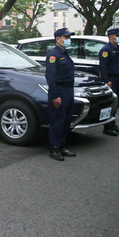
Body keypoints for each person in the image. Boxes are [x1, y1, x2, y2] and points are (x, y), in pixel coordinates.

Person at [45, 28, 77, 161]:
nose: (68, 40)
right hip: (59, 90)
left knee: (66, 121)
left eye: (69, 37)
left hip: (69, 90)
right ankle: (55, 148)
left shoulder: (65, 53)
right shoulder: (53, 55)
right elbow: (50, 78)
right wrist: (55, 96)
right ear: (58, 39)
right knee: (58, 121)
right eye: (66, 37)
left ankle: (62, 146)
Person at [99, 28, 119, 136]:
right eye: (117, 35)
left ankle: (113, 123)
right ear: (110, 36)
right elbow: (103, 67)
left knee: (117, 103)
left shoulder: (118, 49)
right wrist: (106, 81)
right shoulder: (106, 50)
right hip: (111, 79)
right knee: (111, 103)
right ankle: (108, 127)